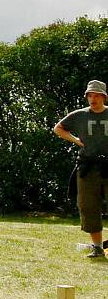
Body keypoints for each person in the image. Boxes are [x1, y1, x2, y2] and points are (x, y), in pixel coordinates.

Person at [54, 80, 108, 258]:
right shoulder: (79, 115)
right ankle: (98, 247)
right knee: (88, 206)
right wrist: (77, 141)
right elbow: (58, 129)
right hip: (87, 167)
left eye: (97, 95)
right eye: (90, 95)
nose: (93, 98)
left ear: (103, 97)